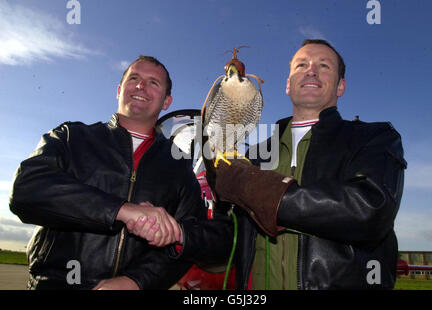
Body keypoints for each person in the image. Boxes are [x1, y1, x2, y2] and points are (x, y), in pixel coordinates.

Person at [130, 39, 407, 290]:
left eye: (323, 66)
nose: (311, 71)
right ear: (288, 84)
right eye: (301, 65)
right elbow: (231, 238)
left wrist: (251, 186)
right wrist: (180, 234)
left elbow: (370, 212)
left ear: (341, 86)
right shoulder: (257, 156)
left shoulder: (374, 138)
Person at [9, 55, 209, 289]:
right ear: (119, 90)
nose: (141, 85)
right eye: (134, 78)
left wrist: (136, 281)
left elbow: (191, 240)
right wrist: (121, 210)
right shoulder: (71, 136)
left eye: (153, 82)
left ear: (167, 101)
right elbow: (26, 189)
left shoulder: (179, 166)